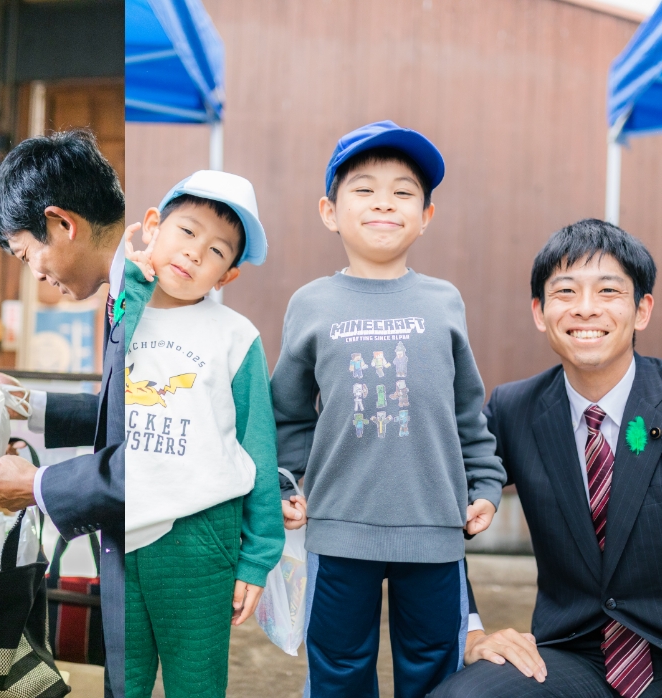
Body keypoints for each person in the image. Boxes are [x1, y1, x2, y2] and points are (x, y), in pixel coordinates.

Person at [271, 121, 506, 697]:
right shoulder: (311, 304)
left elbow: (466, 413)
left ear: (426, 216)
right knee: (339, 670)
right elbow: (288, 415)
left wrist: (485, 484)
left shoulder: (444, 300)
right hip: (338, 529)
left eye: (404, 192)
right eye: (364, 189)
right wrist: (283, 485)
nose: (384, 202)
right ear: (329, 210)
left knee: (435, 669)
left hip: (434, 527)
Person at [431, 220, 662, 698]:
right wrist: (471, 630)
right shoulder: (515, 409)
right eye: (565, 292)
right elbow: (434, 511)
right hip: (574, 654)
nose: (585, 309)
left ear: (642, 310)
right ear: (539, 311)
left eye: (608, 291)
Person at [0, 129, 126, 696]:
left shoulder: (152, 298)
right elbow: (122, 416)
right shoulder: (123, 294)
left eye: (25, 253)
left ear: (61, 223)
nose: (34, 272)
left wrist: (35, 484)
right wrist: (27, 405)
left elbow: (153, 456)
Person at [120, 171, 285, 697]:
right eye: (186, 232)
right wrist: (127, 285)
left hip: (200, 537)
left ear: (227, 276)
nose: (194, 254)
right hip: (118, 526)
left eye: (216, 250)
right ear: (152, 226)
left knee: (196, 685)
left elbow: (258, 449)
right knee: (122, 682)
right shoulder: (119, 314)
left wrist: (257, 558)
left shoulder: (236, 337)